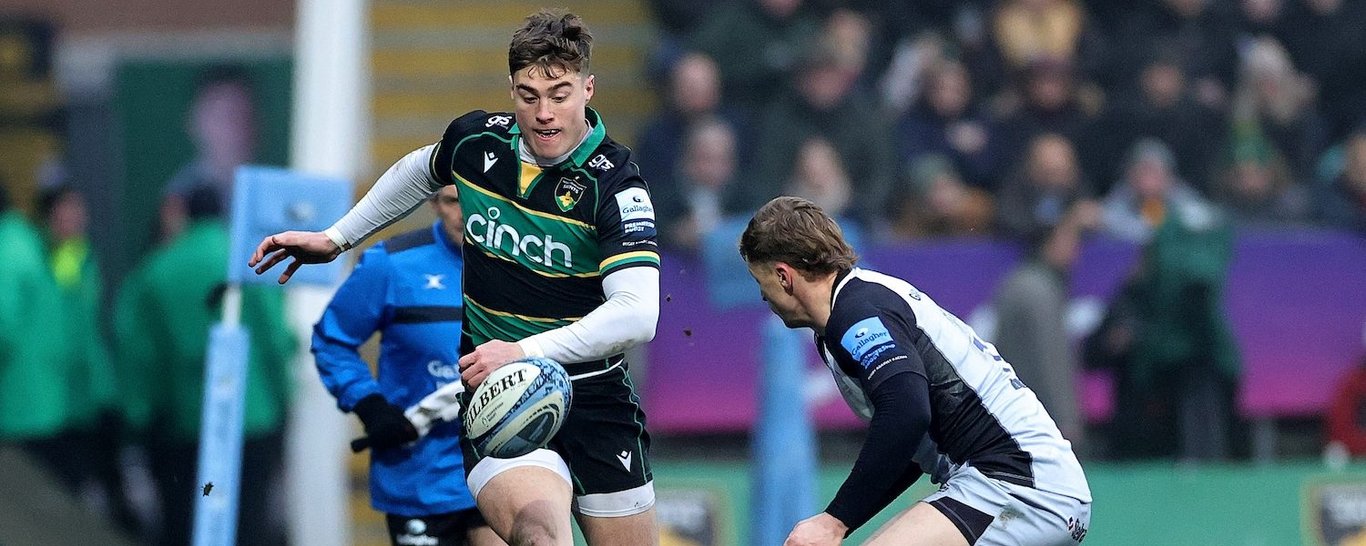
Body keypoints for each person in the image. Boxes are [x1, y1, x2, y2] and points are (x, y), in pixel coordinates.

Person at [248, 10, 660, 546]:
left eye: (560, 94)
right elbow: (419, 170)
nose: (545, 113)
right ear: (511, 91)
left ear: (588, 88)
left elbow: (637, 314)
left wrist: (524, 350)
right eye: (529, 95)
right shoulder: (476, 144)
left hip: (596, 395)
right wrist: (336, 238)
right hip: (502, 394)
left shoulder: (617, 186)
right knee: (540, 536)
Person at [739, 196, 1091, 546]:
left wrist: (834, 521)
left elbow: (906, 413)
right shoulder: (859, 304)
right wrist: (842, 521)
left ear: (784, 276)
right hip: (1032, 486)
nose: (763, 297)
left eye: (761, 281)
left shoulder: (857, 315)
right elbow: (911, 444)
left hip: (1016, 484)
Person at [312, 186, 505, 546]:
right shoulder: (391, 264)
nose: (466, 212)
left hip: (500, 465)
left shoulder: (530, 269)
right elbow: (332, 341)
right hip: (418, 473)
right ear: (434, 203)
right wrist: (370, 406)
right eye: (452, 200)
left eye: (480, 200)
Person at [115, 188, 295, 546]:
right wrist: (283, 403)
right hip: (253, 418)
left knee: (190, 521)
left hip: (186, 423)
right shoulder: (249, 260)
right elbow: (278, 340)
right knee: (248, 523)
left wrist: (138, 418)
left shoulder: (156, 270)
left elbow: (139, 356)